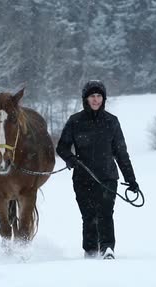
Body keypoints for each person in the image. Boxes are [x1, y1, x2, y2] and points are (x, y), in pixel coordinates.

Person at [56, 80, 139, 260]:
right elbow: (62, 147)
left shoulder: (112, 122)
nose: (96, 100)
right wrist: (71, 160)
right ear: (86, 99)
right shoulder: (75, 121)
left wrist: (131, 180)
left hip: (107, 177)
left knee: (105, 213)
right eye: (92, 96)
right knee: (88, 216)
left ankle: (107, 249)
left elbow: (122, 154)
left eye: (99, 96)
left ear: (103, 98)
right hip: (82, 177)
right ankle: (91, 251)